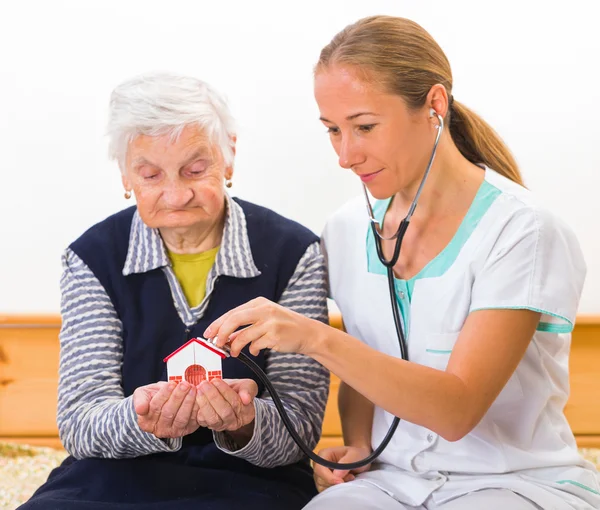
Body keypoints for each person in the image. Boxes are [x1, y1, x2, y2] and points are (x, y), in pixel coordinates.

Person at [205, 15, 600, 510]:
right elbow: (366, 365)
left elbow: (456, 409)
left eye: (365, 126)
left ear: (434, 105)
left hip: (513, 483)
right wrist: (359, 447)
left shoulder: (522, 232)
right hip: (393, 484)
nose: (345, 155)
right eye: (333, 130)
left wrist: (316, 337)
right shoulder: (348, 229)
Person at [19, 72, 330, 510]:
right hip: (113, 476)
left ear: (229, 158)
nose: (175, 194)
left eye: (195, 170)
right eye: (150, 175)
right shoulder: (92, 258)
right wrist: (144, 417)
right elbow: (80, 420)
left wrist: (243, 423)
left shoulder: (294, 252)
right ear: (126, 176)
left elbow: (300, 424)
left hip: (253, 481)